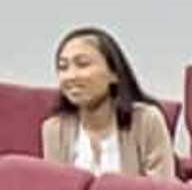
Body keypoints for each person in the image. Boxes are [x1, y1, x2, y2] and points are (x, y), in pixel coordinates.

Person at [41, 28, 175, 177]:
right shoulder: (55, 129)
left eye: (83, 64)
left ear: (114, 73)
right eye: (63, 67)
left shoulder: (146, 120)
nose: (71, 76)